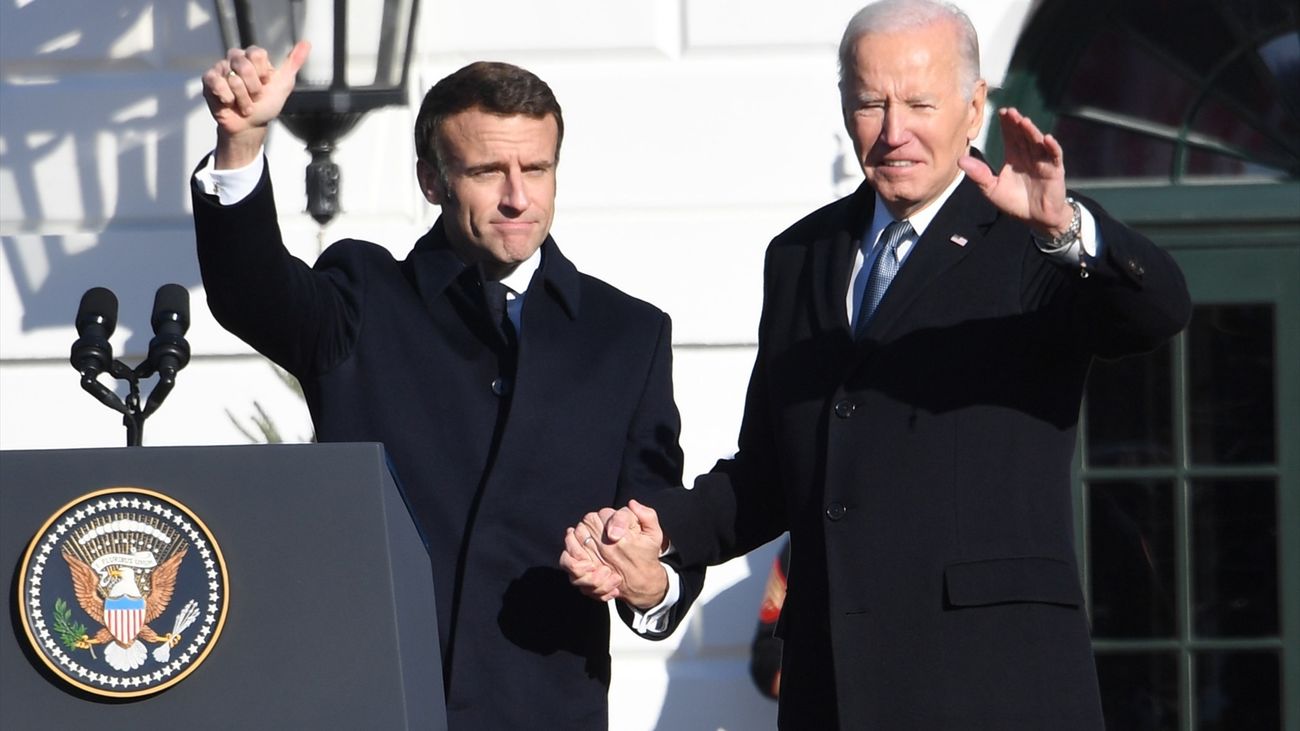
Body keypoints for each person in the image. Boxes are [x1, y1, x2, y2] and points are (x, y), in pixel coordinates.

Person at [565, 1, 1191, 728]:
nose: (895, 132)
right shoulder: (801, 255)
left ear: (974, 106)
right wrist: (659, 528)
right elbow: (770, 472)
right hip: (833, 687)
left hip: (994, 688)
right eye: (871, 103)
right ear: (843, 105)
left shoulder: (1031, 239)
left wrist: (1068, 230)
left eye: (921, 103)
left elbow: (1158, 311)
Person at [192, 43, 702, 730]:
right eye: (489, 171)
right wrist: (241, 145)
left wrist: (650, 582)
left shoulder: (627, 334)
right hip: (374, 706)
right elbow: (252, 293)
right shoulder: (365, 299)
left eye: (537, 169)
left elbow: (659, 519)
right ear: (431, 181)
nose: (518, 196)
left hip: (544, 712)